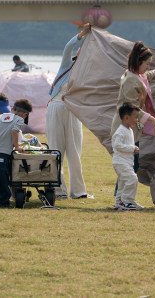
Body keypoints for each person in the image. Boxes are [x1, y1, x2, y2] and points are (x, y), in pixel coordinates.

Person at [110, 41, 155, 179]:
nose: (148, 67)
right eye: (147, 63)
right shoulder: (131, 79)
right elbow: (131, 107)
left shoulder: (137, 75)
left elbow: (150, 75)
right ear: (138, 62)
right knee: (129, 166)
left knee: (130, 166)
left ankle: (123, 199)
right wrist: (151, 118)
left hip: (131, 127)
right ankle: (122, 200)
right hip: (124, 128)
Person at [48, 24, 93, 199]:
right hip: (56, 106)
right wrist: (82, 35)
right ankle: (58, 190)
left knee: (75, 151)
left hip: (73, 111)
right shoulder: (66, 64)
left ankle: (78, 191)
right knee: (55, 149)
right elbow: (68, 47)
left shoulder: (87, 74)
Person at [0, 98, 33, 208]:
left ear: (13, 109)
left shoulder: (1, 116)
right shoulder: (19, 120)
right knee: (3, 179)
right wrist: (17, 146)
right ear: (25, 114)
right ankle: (4, 203)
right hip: (3, 153)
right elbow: (14, 131)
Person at [112, 102, 143, 211]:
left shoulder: (129, 130)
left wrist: (132, 149)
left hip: (126, 162)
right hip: (121, 162)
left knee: (122, 183)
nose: (137, 120)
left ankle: (118, 204)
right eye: (135, 117)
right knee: (132, 179)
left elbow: (124, 145)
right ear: (126, 117)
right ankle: (126, 201)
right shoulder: (121, 131)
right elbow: (117, 145)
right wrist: (132, 148)